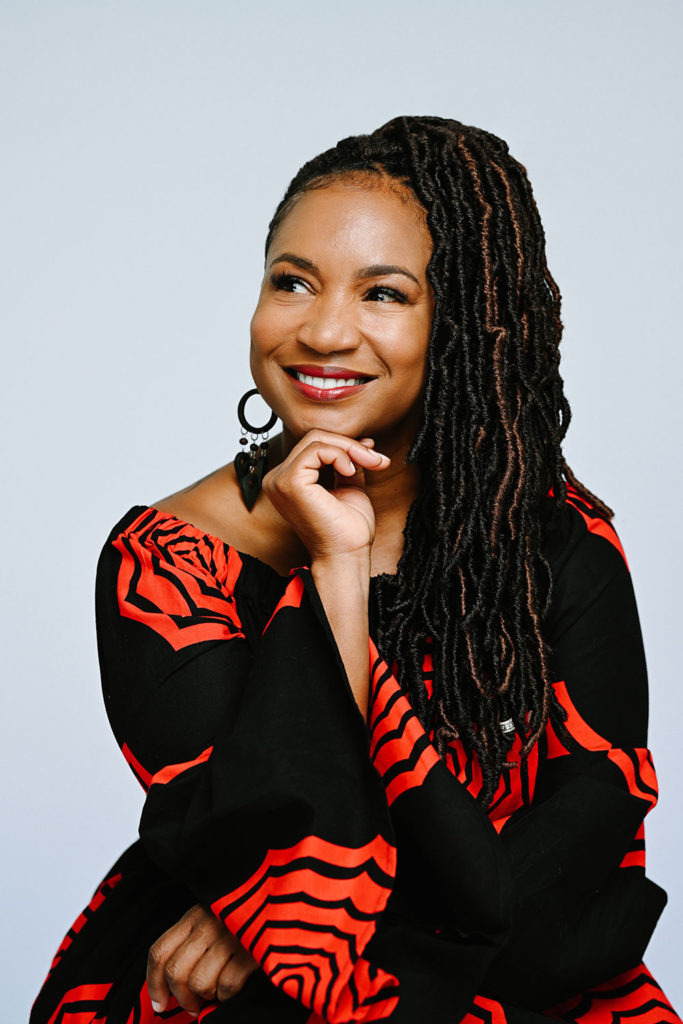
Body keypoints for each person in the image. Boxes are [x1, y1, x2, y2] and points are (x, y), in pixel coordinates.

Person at [31, 115, 680, 1024]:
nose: (325, 330)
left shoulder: (554, 541)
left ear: (460, 323)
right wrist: (337, 564)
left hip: (511, 978)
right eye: (291, 282)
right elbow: (270, 838)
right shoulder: (166, 561)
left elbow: (579, 844)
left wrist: (276, 926)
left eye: (383, 293)